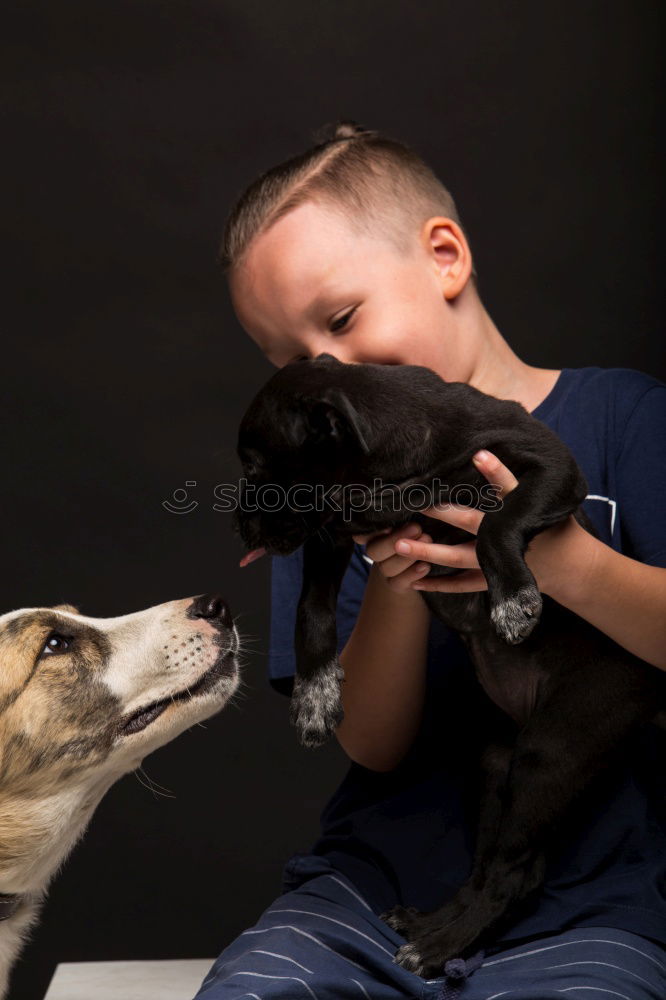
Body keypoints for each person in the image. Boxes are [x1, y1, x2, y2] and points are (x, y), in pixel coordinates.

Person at [194, 122, 666, 999]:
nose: (324, 373)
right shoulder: (330, 489)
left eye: (340, 320)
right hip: (367, 894)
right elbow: (373, 745)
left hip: (591, 897)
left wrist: (561, 564)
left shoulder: (627, 417)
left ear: (445, 257)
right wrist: (398, 571)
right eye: (294, 363)